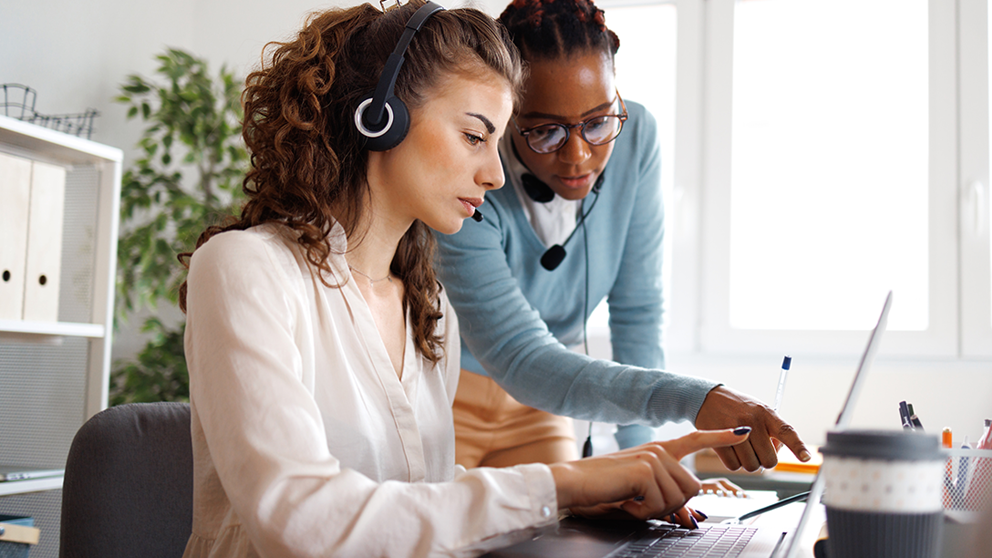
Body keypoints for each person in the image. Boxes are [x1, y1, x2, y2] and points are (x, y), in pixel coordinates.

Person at [177, 2, 751, 556]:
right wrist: (563, 487)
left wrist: (580, 497)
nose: (497, 174)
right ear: (381, 118)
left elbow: (417, 497)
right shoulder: (244, 270)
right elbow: (300, 521)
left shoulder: (427, 308)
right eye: (475, 137)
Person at [435, 0, 810, 478]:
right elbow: (518, 354)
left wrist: (652, 458)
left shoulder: (637, 139)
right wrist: (695, 400)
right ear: (508, 115)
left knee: (563, 538)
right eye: (545, 131)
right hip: (450, 389)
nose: (578, 156)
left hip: (539, 404)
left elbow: (638, 311)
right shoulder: (471, 171)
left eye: (597, 122)